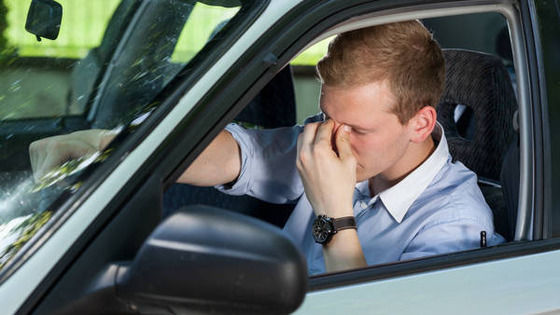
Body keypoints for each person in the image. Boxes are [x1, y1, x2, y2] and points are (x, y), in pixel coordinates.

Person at [29, 20, 504, 275]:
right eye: (326, 117)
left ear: (420, 123)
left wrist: (333, 212)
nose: (332, 140)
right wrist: (102, 143)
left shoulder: (456, 224)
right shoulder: (331, 141)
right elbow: (237, 154)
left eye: (356, 128)